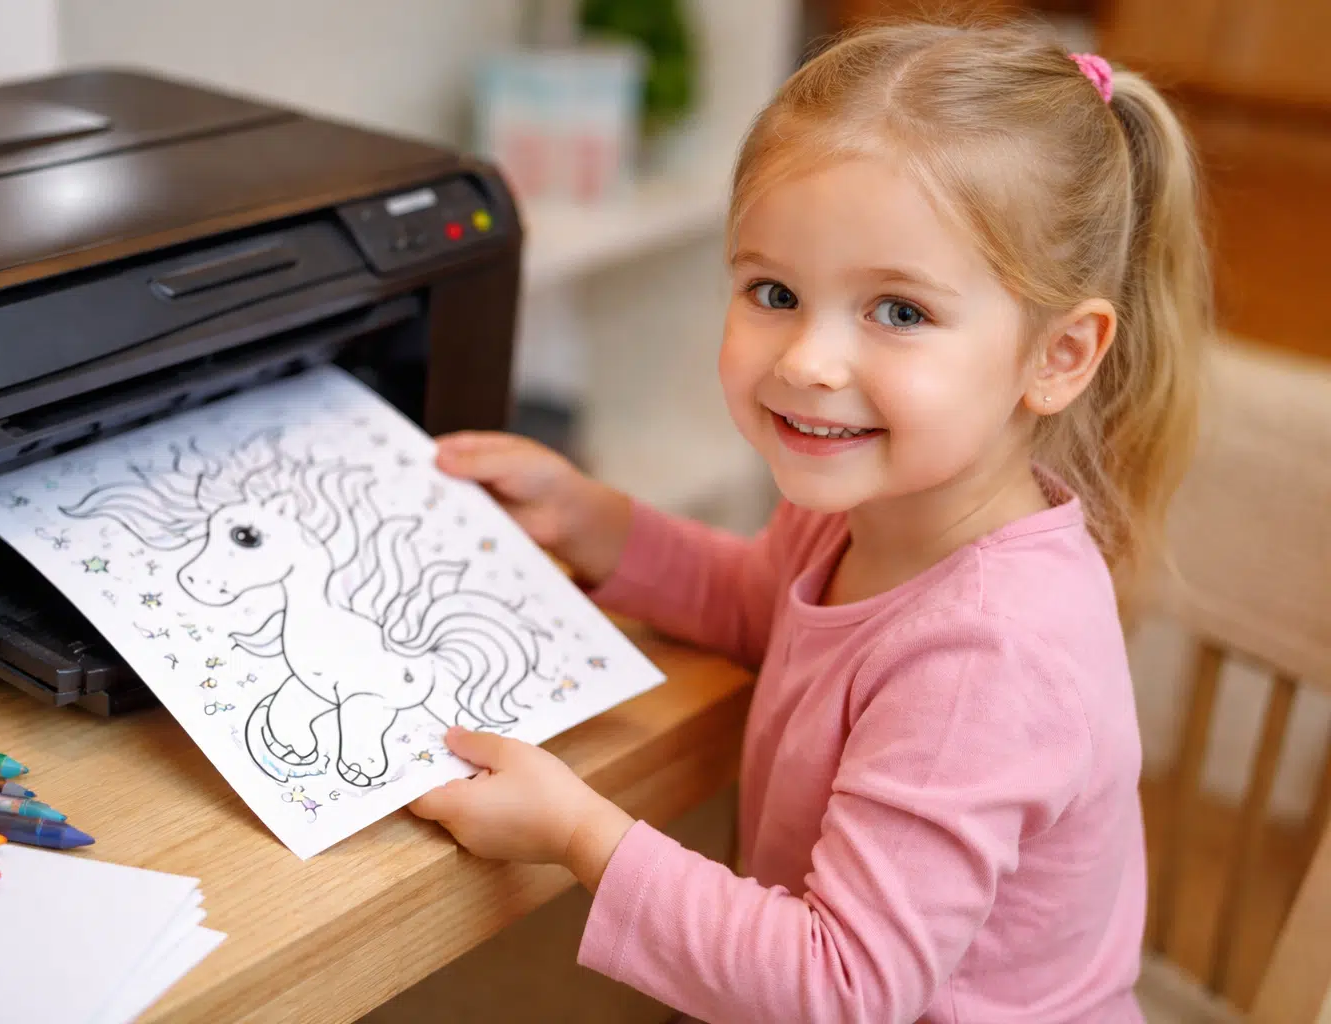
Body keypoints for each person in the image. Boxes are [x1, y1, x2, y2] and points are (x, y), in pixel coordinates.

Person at [408, 18, 1211, 1022]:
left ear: (1058, 356)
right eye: (774, 292)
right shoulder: (873, 511)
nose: (807, 362)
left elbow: (841, 985)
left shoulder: (986, 656)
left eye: (899, 311)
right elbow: (764, 605)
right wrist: (597, 521)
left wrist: (581, 832)